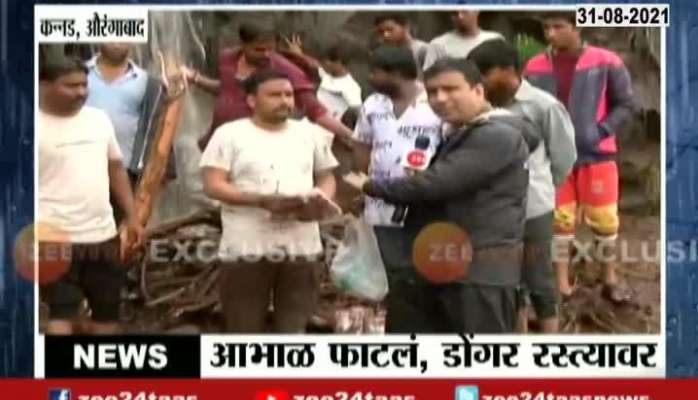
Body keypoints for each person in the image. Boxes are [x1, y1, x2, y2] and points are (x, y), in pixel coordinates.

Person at [360, 58, 534, 333]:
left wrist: (369, 186)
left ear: (478, 90)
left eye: (451, 89)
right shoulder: (459, 133)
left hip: (477, 275)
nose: (440, 98)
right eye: (432, 92)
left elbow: (436, 185)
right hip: (441, 267)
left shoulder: (496, 135)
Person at [200, 69, 339, 333]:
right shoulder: (229, 135)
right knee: (243, 328)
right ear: (252, 100)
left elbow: (327, 177)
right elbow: (213, 185)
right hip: (246, 247)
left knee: (294, 328)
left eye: (289, 95)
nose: (285, 101)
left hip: (301, 246)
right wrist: (262, 200)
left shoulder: (309, 134)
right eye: (275, 95)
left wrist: (320, 200)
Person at [524, 12, 635, 303]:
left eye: (558, 27)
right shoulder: (534, 67)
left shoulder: (605, 60)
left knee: (605, 219)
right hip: (553, 156)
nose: (550, 33)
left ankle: (609, 277)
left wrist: (599, 131)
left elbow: (625, 103)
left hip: (596, 155)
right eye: (546, 27)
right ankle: (562, 283)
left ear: (576, 27)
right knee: (560, 220)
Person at [469, 39, 577, 333]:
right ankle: (519, 342)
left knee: (539, 277)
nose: (477, 82)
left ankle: (550, 344)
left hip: (534, 207)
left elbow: (564, 157)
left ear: (508, 70)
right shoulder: (480, 107)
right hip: (496, 211)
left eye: (483, 74)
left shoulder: (544, 106)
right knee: (508, 279)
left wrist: (542, 187)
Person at [38, 53, 144, 335]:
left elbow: (116, 168)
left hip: (102, 235)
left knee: (107, 313)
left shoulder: (98, 119)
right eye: (70, 86)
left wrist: (132, 217)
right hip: (52, 238)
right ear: (44, 86)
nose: (81, 92)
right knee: (62, 316)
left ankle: (100, 376)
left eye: (84, 85)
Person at [352, 44, 443, 330]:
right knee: (394, 274)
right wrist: (360, 185)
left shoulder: (436, 102)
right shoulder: (372, 105)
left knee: (425, 272)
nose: (370, 77)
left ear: (396, 73)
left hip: (426, 204)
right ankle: (400, 331)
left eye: (375, 72)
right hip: (380, 205)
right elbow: (361, 146)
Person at [183, 21, 354, 151]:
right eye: (259, 49)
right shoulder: (228, 59)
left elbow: (316, 111)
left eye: (269, 49)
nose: (266, 54)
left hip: (255, 147)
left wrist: (351, 136)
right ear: (243, 44)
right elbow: (228, 89)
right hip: (217, 139)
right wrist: (196, 79)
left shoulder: (284, 70)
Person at [86, 43, 176, 189]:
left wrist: (161, 171)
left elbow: (158, 126)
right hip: (79, 169)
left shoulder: (149, 84)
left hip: (127, 175)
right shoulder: (78, 75)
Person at [422, 11, 503, 70]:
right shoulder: (438, 44)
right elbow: (428, 74)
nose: (460, 16)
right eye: (455, 13)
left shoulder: (495, 39)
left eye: (464, 11)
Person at [373, 13, 429, 78]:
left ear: (406, 27)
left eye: (390, 29)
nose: (385, 35)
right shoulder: (389, 55)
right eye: (381, 32)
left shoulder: (423, 50)